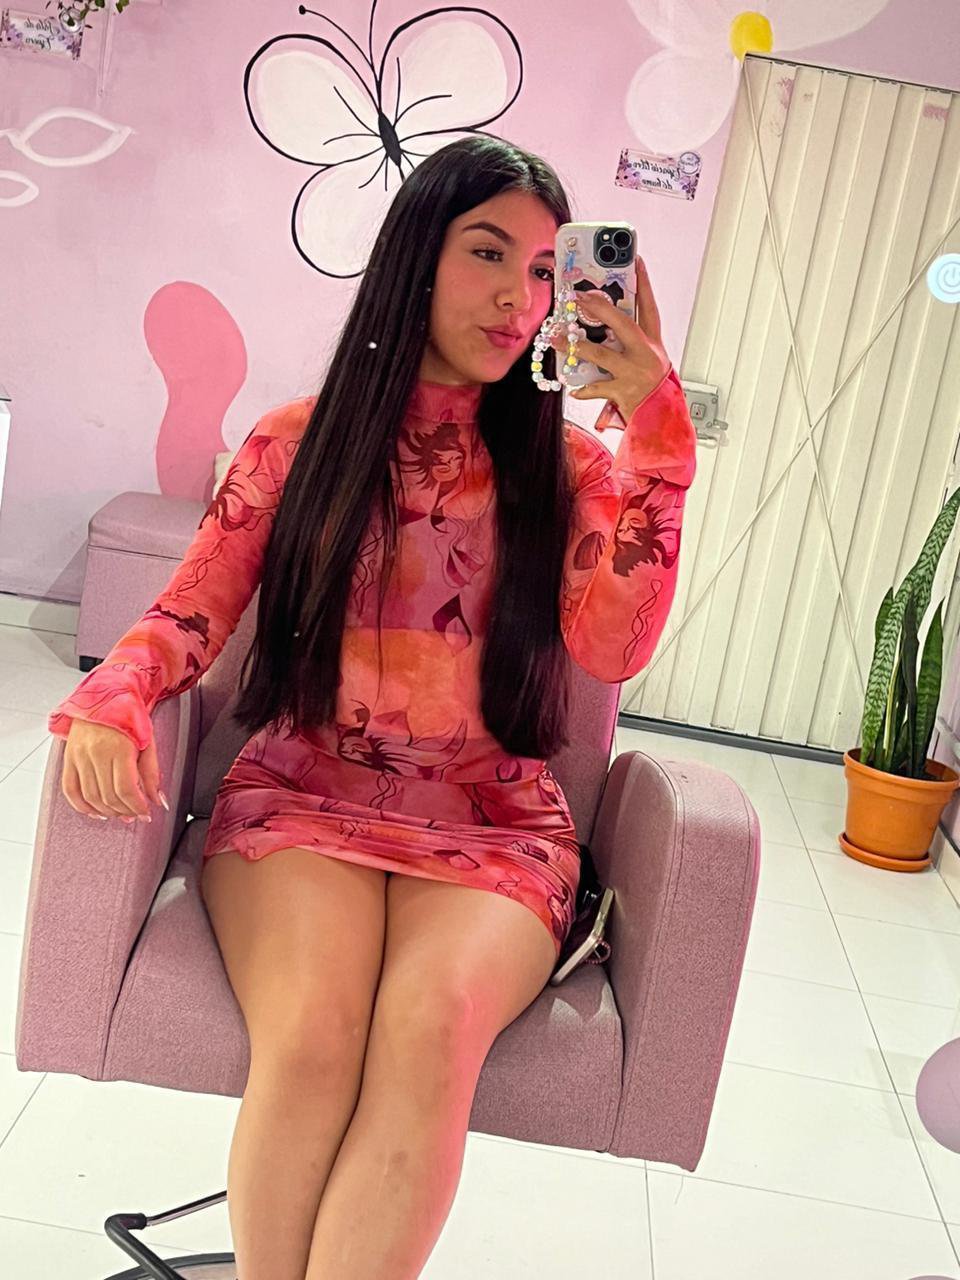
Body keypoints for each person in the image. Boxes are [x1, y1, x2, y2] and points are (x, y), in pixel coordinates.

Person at [49, 135, 697, 1280]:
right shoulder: (297, 443)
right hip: (304, 790)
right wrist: (116, 692)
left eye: (542, 269)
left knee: (430, 1028)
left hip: (494, 815)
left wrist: (655, 433)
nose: (518, 296)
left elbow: (615, 644)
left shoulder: (572, 471)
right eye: (487, 252)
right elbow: (193, 604)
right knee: (311, 1035)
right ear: (415, 256)